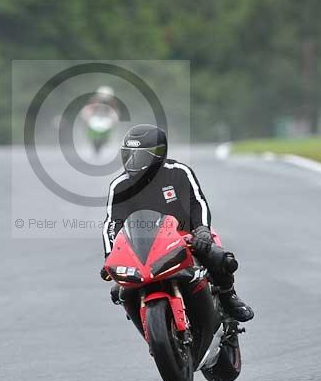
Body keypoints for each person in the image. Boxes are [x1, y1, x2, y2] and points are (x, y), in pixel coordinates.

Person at [101, 124, 254, 323]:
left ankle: (228, 296)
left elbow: (198, 202)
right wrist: (110, 256)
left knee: (221, 259)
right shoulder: (119, 185)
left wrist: (202, 230)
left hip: (187, 235)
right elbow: (112, 223)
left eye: (139, 156)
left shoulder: (180, 172)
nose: (132, 162)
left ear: (157, 155)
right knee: (120, 291)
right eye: (128, 155)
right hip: (143, 246)